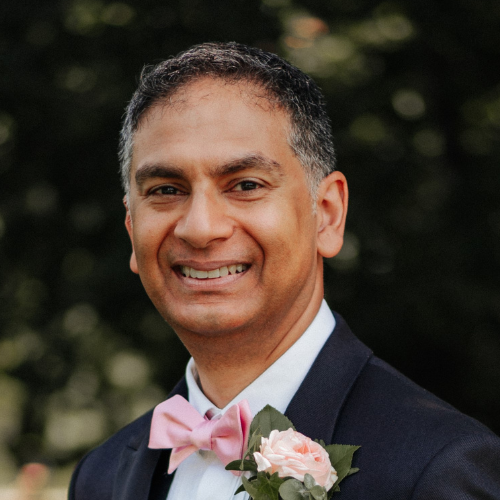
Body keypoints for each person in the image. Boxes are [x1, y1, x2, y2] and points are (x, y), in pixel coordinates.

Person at [68, 42, 500, 500]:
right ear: (132, 228)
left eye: (245, 184)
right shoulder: (100, 477)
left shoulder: (439, 469)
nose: (200, 228)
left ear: (327, 215)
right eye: (166, 189)